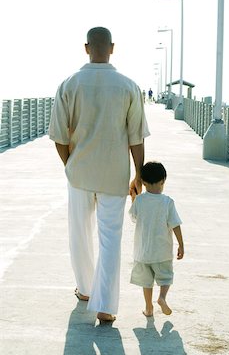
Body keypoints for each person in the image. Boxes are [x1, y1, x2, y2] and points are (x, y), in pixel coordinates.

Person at [49, 27, 150, 323]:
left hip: (79, 173)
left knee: (79, 233)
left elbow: (59, 137)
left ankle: (85, 289)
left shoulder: (69, 84)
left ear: (86, 48)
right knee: (111, 238)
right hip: (114, 175)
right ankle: (106, 305)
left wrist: (70, 166)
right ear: (112, 48)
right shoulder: (128, 86)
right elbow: (136, 139)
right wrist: (138, 176)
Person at [129, 162, 184, 317]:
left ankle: (149, 308)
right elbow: (175, 225)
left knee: (146, 282)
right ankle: (162, 297)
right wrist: (181, 244)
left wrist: (133, 197)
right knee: (166, 276)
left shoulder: (139, 201)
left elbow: (134, 217)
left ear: (144, 183)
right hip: (162, 251)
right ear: (163, 181)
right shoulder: (167, 202)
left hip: (143, 251)